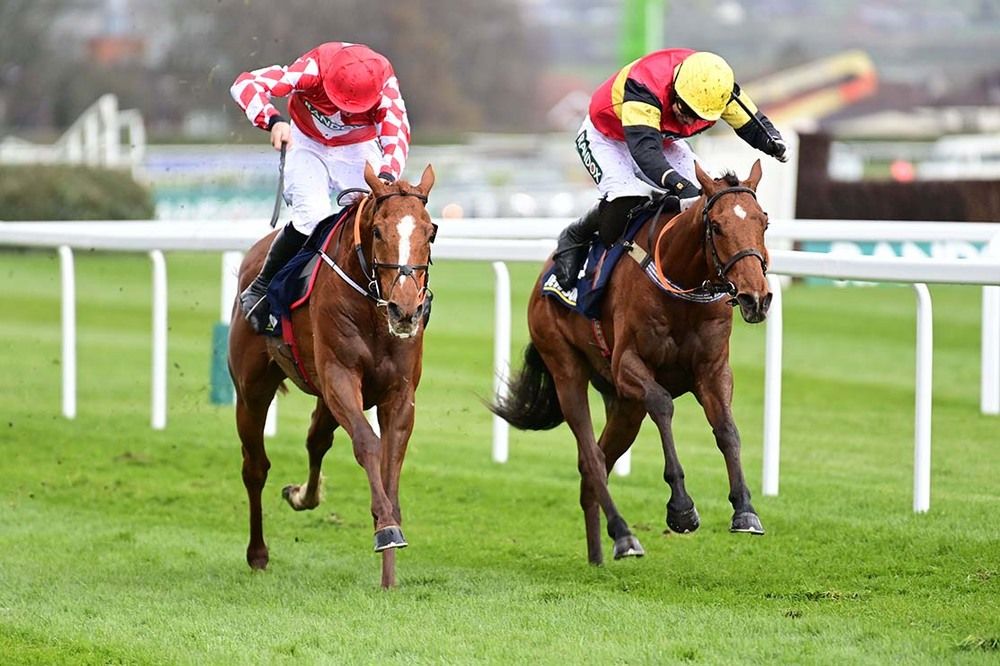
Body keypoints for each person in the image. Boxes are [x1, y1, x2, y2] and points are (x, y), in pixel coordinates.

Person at [554, 49, 789, 290]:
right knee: (626, 197)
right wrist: (680, 186)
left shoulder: (716, 86)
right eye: (686, 110)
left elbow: (751, 123)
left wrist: (773, 142)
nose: (689, 120)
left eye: (698, 115)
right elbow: (646, 154)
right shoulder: (644, 85)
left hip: (659, 138)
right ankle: (577, 235)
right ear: (676, 88)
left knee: (706, 201)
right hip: (607, 137)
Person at [230, 41, 410, 332]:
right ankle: (261, 286)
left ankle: (399, 296)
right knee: (311, 217)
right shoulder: (314, 68)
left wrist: (387, 174)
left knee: (378, 216)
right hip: (307, 142)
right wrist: (273, 120)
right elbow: (245, 84)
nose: (343, 111)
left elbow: (397, 132)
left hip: (357, 147)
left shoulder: (384, 84)